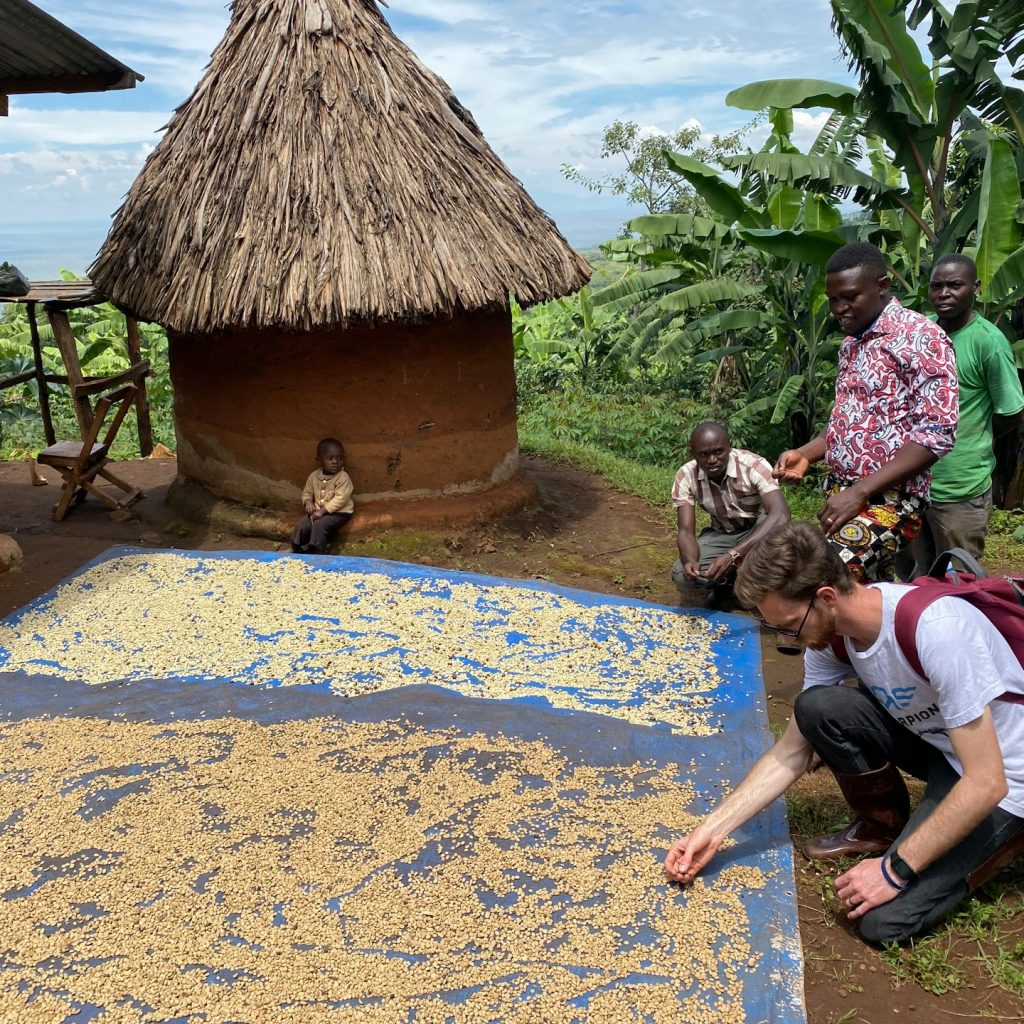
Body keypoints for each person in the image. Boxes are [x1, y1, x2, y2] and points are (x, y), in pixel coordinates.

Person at [663, 521, 1024, 945]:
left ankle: (1006, 838)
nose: (788, 639)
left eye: (790, 626)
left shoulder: (936, 629)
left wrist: (893, 871)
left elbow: (986, 782)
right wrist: (713, 829)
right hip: (943, 747)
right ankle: (883, 827)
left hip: (1005, 778)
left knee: (881, 921)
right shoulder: (834, 637)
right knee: (818, 707)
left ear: (827, 597)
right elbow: (791, 752)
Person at [774, 242, 958, 582]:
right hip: (842, 494)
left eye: (850, 297)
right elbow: (850, 425)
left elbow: (936, 435)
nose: (839, 308)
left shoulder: (921, 338)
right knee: (871, 592)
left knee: (829, 573)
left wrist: (859, 492)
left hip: (892, 501)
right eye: (833, 299)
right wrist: (805, 453)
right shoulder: (852, 344)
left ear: (882, 286)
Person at [908, 254, 1024, 575]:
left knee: (959, 580)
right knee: (916, 578)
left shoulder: (988, 343)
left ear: (975, 288)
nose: (944, 293)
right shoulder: (924, 334)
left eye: (955, 285)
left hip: (961, 488)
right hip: (916, 483)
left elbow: (1012, 411)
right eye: (936, 286)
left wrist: (970, 435)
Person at [671, 422, 790, 607]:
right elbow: (686, 531)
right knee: (682, 575)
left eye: (719, 452)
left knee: (776, 531)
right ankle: (725, 589)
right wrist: (690, 561)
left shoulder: (753, 466)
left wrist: (734, 555)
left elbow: (781, 515)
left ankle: (768, 597)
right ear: (693, 454)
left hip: (758, 531)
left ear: (729, 448)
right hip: (723, 533)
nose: (712, 460)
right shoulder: (686, 476)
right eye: (704, 454)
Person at [291, 437, 354, 554]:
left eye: (339, 458)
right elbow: (307, 492)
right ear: (319, 460)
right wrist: (308, 502)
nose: (335, 462)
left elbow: (341, 498)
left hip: (339, 513)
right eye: (330, 459)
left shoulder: (343, 477)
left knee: (319, 525)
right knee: (302, 524)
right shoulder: (313, 476)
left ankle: (317, 551)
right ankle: (296, 548)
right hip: (318, 511)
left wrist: (323, 511)